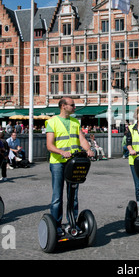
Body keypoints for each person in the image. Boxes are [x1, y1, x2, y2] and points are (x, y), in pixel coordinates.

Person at [45, 98, 95, 235]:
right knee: (57, 196)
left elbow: (82, 139)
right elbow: (49, 145)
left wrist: (88, 150)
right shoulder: (52, 122)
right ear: (63, 106)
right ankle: (56, 226)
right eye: (72, 105)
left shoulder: (74, 122)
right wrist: (62, 152)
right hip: (58, 163)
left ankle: (72, 223)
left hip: (73, 162)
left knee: (73, 195)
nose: (74, 107)